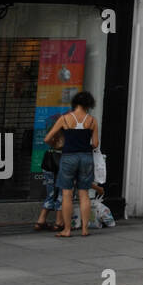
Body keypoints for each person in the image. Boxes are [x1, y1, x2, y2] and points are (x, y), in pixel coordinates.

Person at [43, 91, 99, 238]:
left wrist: (56, 146)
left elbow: (47, 138)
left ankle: (67, 230)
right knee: (84, 193)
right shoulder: (92, 121)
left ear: (75, 103)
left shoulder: (65, 119)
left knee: (67, 194)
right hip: (86, 157)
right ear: (89, 104)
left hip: (68, 157)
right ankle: (85, 229)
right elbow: (95, 143)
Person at [34, 131, 65, 232]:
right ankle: (58, 222)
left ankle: (41, 221)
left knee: (51, 193)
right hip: (61, 163)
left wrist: (53, 145)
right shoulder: (66, 131)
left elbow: (47, 139)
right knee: (62, 193)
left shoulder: (53, 130)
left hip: (49, 163)